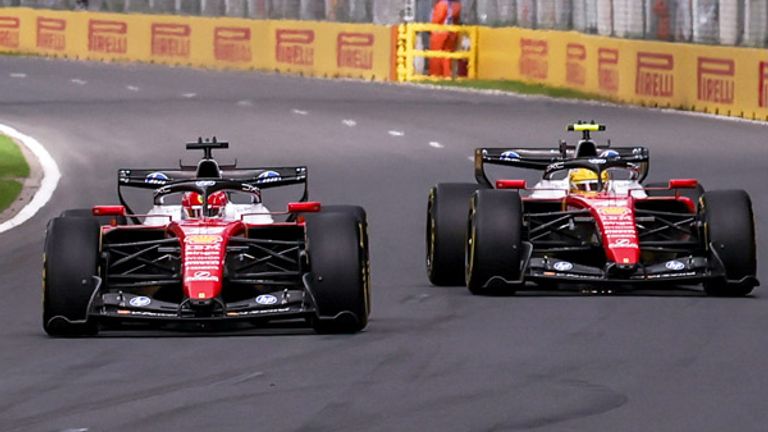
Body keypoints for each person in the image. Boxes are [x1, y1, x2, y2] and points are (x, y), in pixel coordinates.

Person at [429, 0, 461, 78]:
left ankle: (436, 75)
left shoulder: (442, 4)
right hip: (451, 33)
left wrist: (430, 26)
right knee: (447, 57)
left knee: (436, 57)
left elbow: (437, 19)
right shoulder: (455, 5)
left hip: (439, 33)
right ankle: (447, 75)